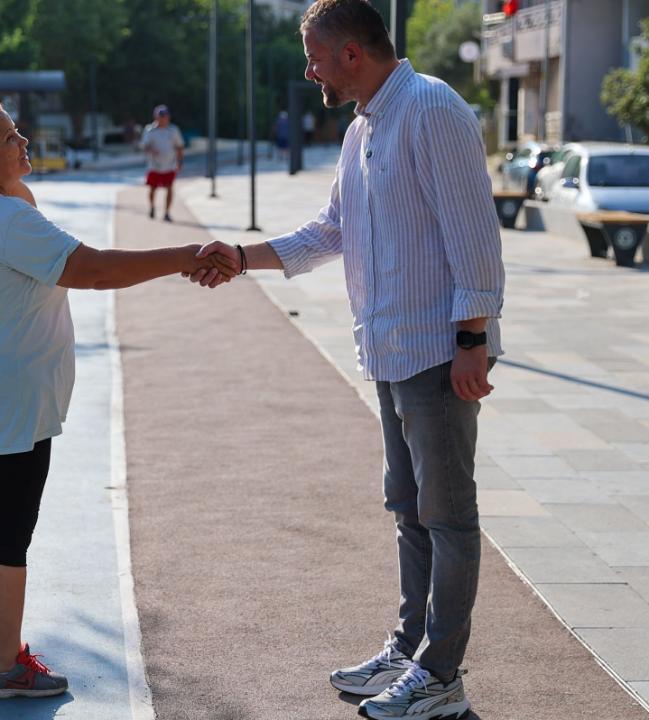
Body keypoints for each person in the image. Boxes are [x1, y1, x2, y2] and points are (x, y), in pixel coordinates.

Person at [191, 0, 504, 717]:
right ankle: (412, 645)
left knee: (448, 515)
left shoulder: (432, 109)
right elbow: (330, 230)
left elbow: (475, 238)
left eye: (315, 57)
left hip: (437, 350)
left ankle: (442, 678)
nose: (310, 72)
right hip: (391, 350)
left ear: (353, 55)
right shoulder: (363, 127)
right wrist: (242, 258)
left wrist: (471, 341)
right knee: (409, 508)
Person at [0, 85, 238, 700]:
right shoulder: (6, 221)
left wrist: (11, 176)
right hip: (11, 404)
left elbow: (29, 212)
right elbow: (96, 271)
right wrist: (185, 255)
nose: (24, 140)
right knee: (6, 536)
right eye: (10, 138)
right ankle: (6, 669)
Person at [140, 105, 185, 222]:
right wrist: (151, 150)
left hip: (169, 165)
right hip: (154, 166)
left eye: (165, 116)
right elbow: (144, 145)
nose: (163, 118)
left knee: (169, 188)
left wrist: (180, 162)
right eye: (160, 116)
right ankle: (152, 207)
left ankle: (166, 212)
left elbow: (179, 146)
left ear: (168, 117)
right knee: (152, 188)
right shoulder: (150, 130)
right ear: (156, 116)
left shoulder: (174, 130)